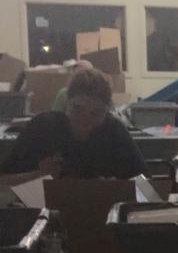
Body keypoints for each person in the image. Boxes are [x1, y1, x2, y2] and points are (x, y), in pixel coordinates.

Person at [1, 66, 144, 181]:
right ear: (66, 105)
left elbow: (145, 186)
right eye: (78, 109)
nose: (85, 119)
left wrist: (118, 188)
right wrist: (40, 174)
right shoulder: (43, 128)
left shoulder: (114, 131)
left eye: (95, 113)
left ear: (106, 112)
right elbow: (3, 181)